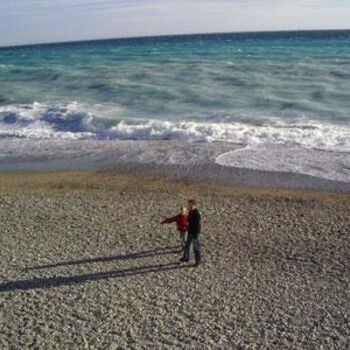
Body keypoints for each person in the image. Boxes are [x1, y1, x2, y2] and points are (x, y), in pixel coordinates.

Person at [181, 199, 202, 266]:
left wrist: (195, 234)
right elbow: (189, 222)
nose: (189, 206)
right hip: (190, 232)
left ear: (194, 205)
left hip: (195, 233)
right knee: (187, 245)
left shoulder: (196, 214)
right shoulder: (190, 212)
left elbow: (197, 225)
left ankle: (198, 261)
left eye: (190, 205)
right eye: (188, 205)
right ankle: (186, 257)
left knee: (196, 247)